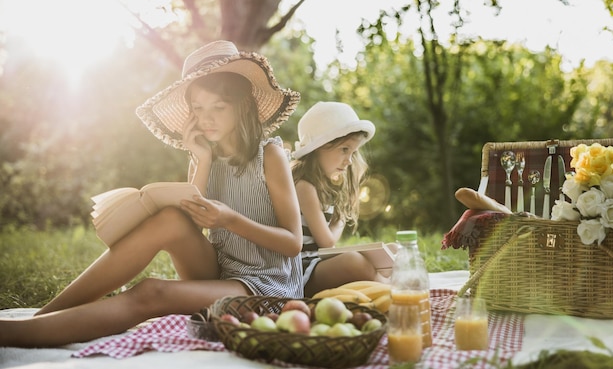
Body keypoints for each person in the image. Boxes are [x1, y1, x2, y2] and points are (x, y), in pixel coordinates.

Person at [0, 40, 303, 347]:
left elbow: (293, 243)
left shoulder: (270, 157)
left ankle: (15, 335)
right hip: (221, 272)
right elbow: (190, 230)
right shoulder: (202, 156)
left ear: (243, 106)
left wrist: (229, 219)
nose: (206, 117)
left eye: (218, 107)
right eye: (198, 108)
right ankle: (44, 317)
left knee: (151, 291)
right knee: (171, 218)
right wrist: (204, 160)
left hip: (266, 289)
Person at [291, 101, 388, 297]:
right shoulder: (304, 186)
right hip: (301, 270)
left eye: (353, 152)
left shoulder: (323, 185)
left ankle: (382, 284)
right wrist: (341, 219)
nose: (349, 160)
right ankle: (390, 289)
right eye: (344, 149)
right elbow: (327, 242)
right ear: (317, 148)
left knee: (391, 251)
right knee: (355, 263)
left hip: (317, 262)